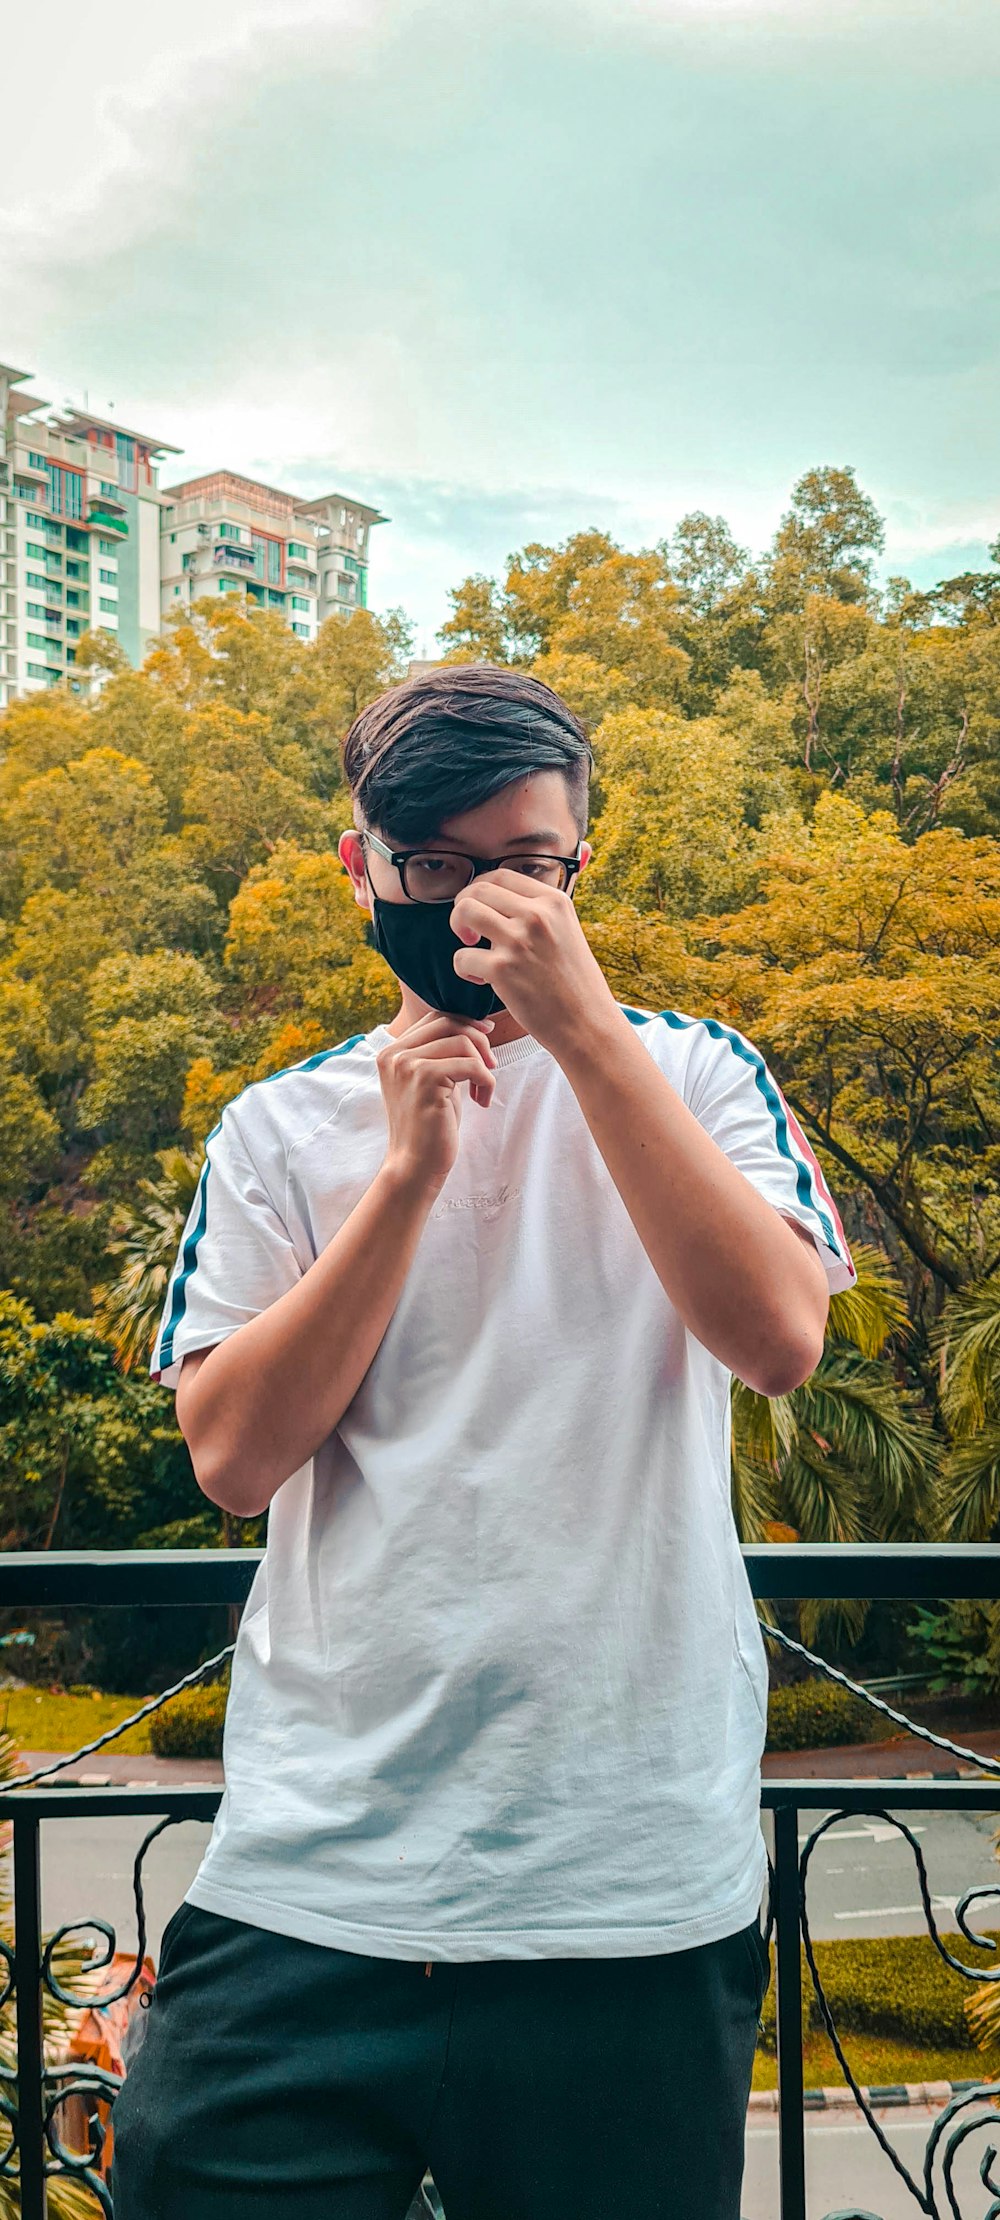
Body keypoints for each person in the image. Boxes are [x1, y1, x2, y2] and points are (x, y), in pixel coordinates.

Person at [111, 662, 856, 2220]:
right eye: (436, 867)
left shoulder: (704, 1075)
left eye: (525, 868)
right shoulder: (279, 1127)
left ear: (582, 865)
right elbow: (236, 1460)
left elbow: (781, 1339)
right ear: (362, 866)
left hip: (627, 1888)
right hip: (314, 1882)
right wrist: (400, 1183)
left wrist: (583, 1036)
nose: (480, 905)